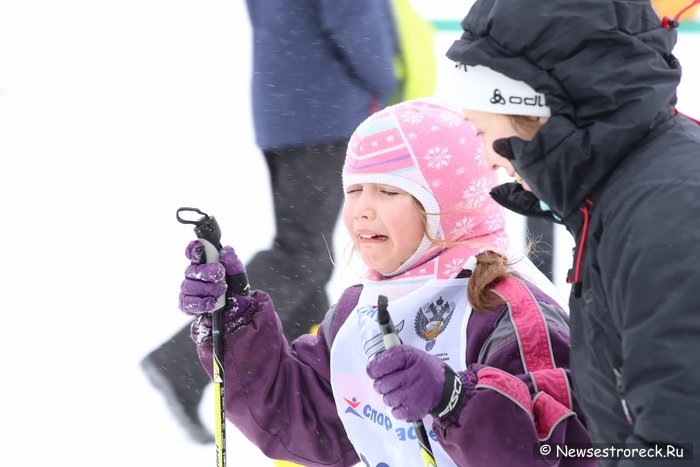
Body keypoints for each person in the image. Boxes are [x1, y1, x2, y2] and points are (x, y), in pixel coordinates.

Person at [178, 98, 595, 466]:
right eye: (355, 189)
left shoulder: (511, 313)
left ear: (449, 205)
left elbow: (562, 451)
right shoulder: (361, 310)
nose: (361, 209)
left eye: (389, 191)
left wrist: (454, 401)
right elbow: (306, 424)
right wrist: (234, 328)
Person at [444, 0, 700, 465]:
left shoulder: (667, 209)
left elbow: (681, 438)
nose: (486, 159)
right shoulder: (616, 193)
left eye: (481, 131)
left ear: (534, 109)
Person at [141, 0, 398, 444]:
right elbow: (356, 24)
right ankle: (183, 364)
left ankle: (297, 394)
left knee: (309, 260)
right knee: (300, 253)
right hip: (323, 109)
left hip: (285, 106)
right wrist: (388, 79)